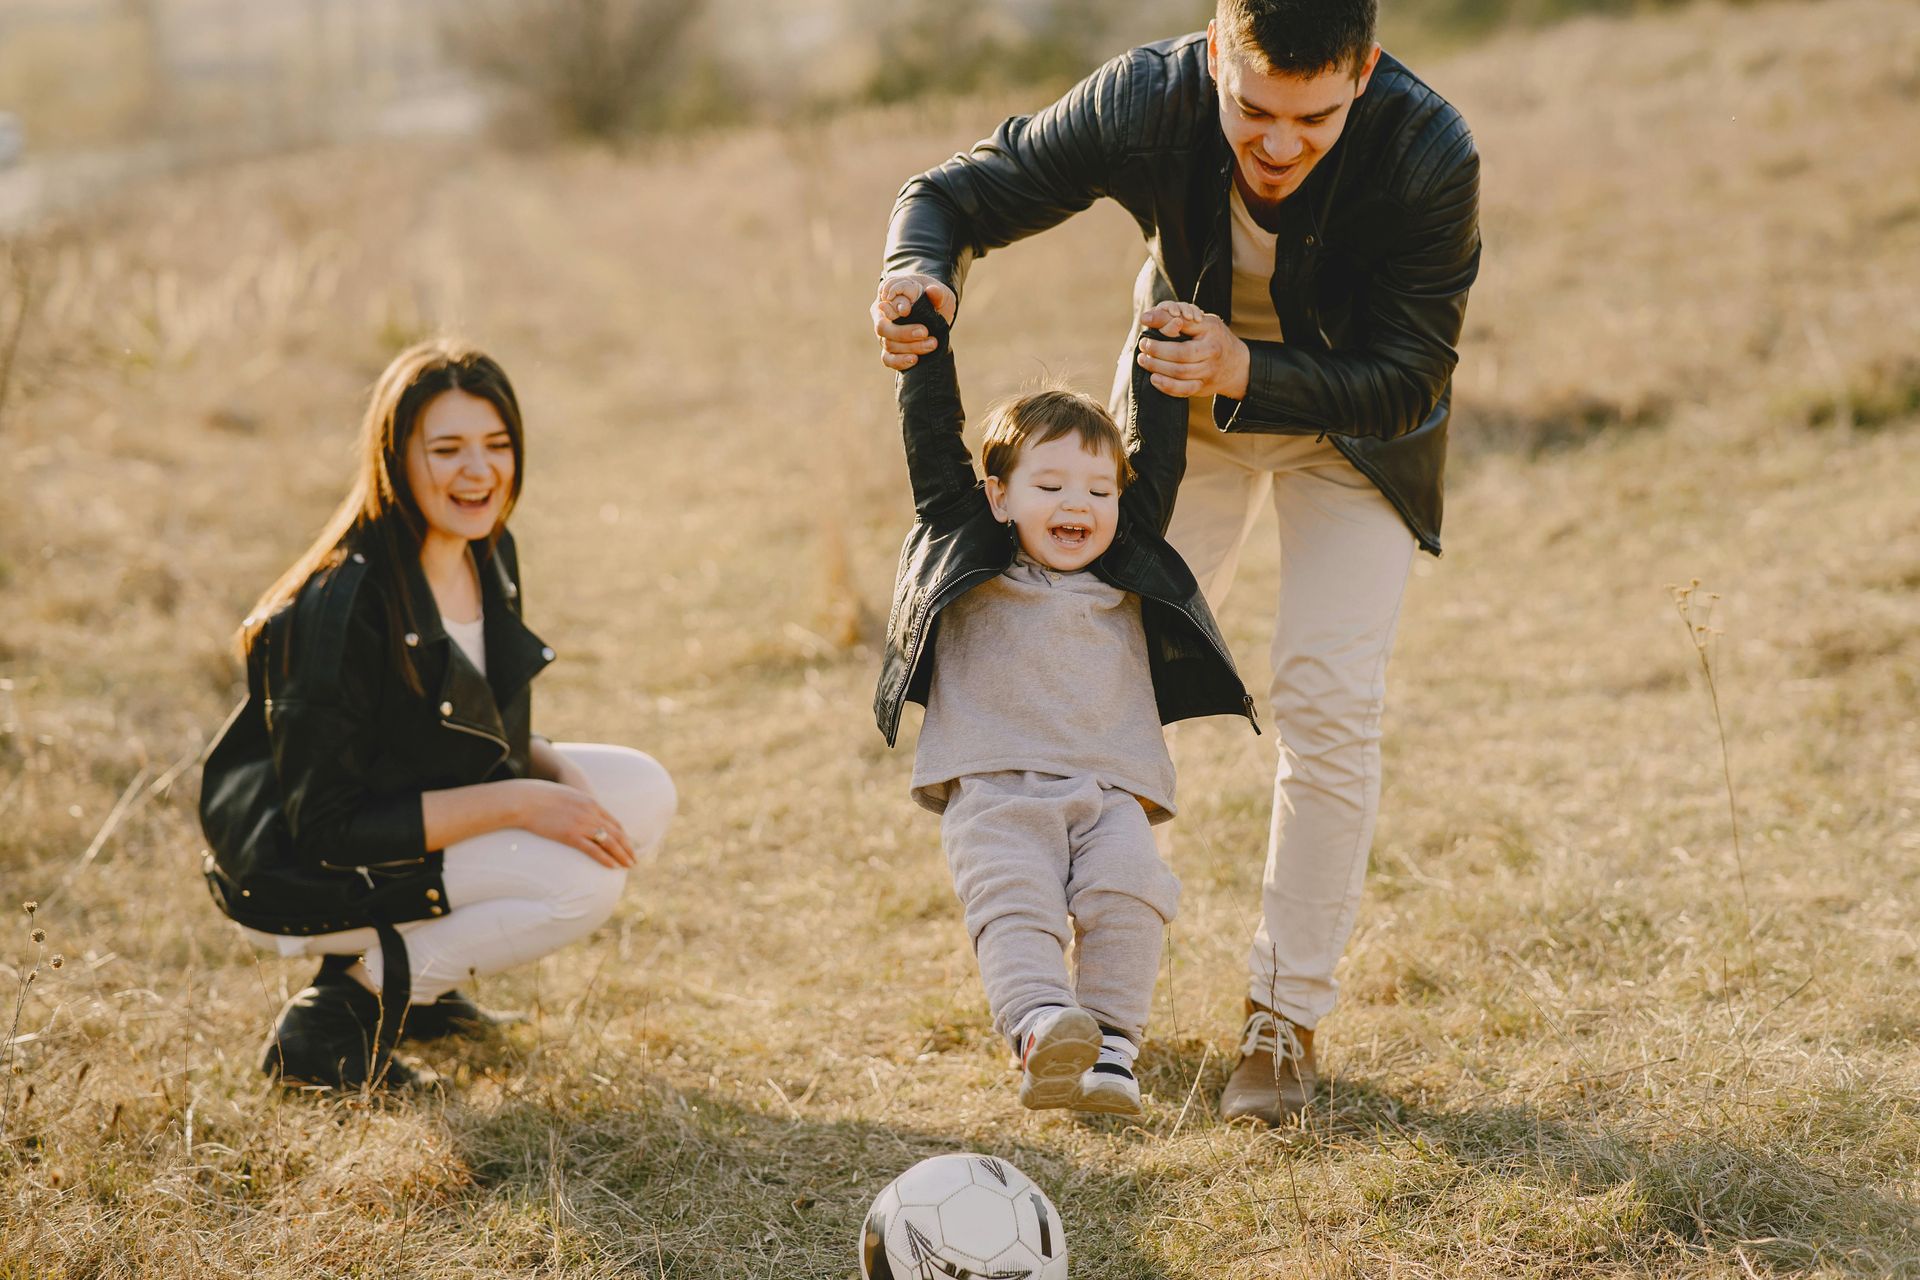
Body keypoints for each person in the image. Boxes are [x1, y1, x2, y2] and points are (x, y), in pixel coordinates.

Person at [871, 0, 1480, 1124]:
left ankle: (1283, 1017)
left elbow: (1411, 375)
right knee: (1096, 664)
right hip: (1171, 426)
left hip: (1355, 435)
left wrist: (1250, 363)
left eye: (1316, 116)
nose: (1281, 144)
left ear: (1367, 73)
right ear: (1212, 57)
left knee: (1326, 697)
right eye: (1253, 109)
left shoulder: (1428, 148)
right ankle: (1060, 1001)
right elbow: (953, 193)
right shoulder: (1146, 99)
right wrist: (920, 273)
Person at [199, 340, 675, 1089]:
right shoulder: (341, 604)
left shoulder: (486, 550)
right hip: (302, 867)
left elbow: (444, 730)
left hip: (394, 823)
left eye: (497, 445)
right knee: (582, 884)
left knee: (643, 791)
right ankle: (338, 1017)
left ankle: (420, 994)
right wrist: (524, 800)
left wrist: (548, 764)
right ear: (396, 458)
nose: (478, 471)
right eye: (447, 448)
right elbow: (325, 826)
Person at [876, 294, 1254, 1116]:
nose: (1077, 506)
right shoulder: (968, 545)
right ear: (999, 496)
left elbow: (1159, 453)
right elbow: (933, 445)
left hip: (1111, 787)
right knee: (1016, 904)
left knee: (1129, 896)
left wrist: (1164, 338)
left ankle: (1113, 1048)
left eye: (1097, 490)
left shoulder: (1127, 564)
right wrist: (924, 347)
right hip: (995, 787)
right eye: (1049, 485)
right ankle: (1045, 1029)